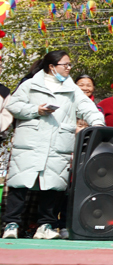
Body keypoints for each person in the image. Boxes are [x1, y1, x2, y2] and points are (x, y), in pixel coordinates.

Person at [1, 51, 105, 240]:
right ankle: (11, 224)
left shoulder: (72, 89)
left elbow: (88, 108)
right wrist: (35, 110)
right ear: (52, 67)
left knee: (53, 185)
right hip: (31, 141)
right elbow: (13, 105)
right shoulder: (30, 85)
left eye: (69, 65)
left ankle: (45, 225)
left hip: (58, 142)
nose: (68, 68)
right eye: (65, 64)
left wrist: (97, 123)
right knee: (20, 183)